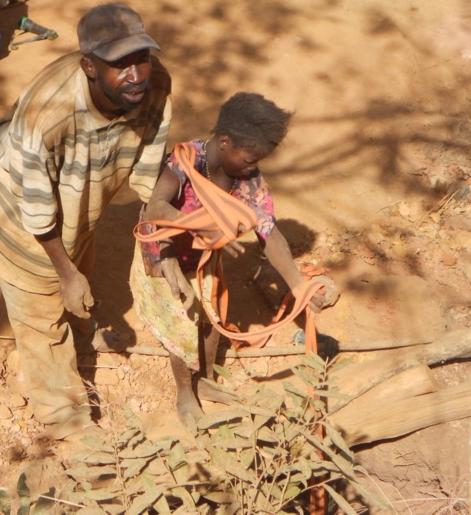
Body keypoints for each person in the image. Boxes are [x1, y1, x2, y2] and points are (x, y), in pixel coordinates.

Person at [0, 3, 171, 440]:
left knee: (79, 246)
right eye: (119, 65)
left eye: (139, 58)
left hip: (81, 192)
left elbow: (149, 163)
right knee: (40, 305)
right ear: (89, 66)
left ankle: (79, 324)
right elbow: (37, 210)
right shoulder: (47, 114)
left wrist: (160, 237)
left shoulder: (154, 83)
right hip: (20, 205)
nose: (136, 74)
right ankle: (65, 420)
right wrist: (65, 274)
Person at [130, 92, 332, 422]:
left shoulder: (246, 177)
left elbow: (269, 232)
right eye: (250, 158)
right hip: (164, 253)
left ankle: (207, 382)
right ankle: (184, 392)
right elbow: (156, 207)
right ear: (225, 142)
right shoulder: (184, 161)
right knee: (181, 326)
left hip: (204, 257)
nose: (254, 167)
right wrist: (199, 228)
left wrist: (298, 285)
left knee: (212, 323)